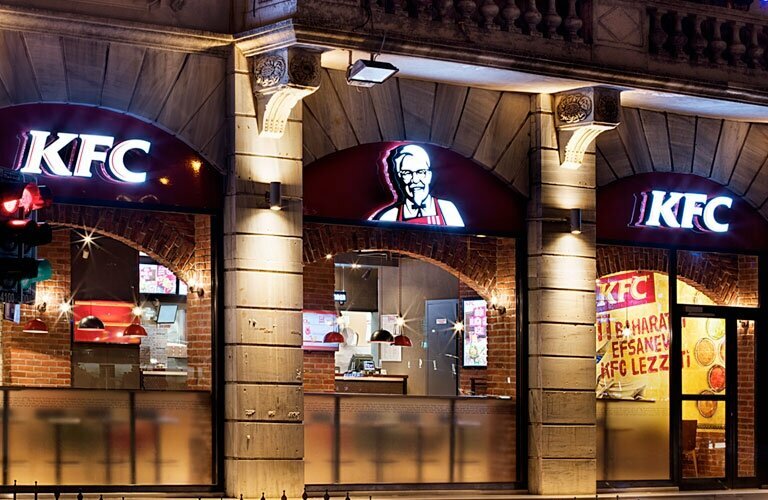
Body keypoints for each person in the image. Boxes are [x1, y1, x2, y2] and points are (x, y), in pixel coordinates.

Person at [369, 144, 464, 227]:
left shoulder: (447, 210)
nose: (415, 180)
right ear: (399, 177)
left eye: (420, 172)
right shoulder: (389, 217)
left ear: (429, 176)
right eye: (407, 173)